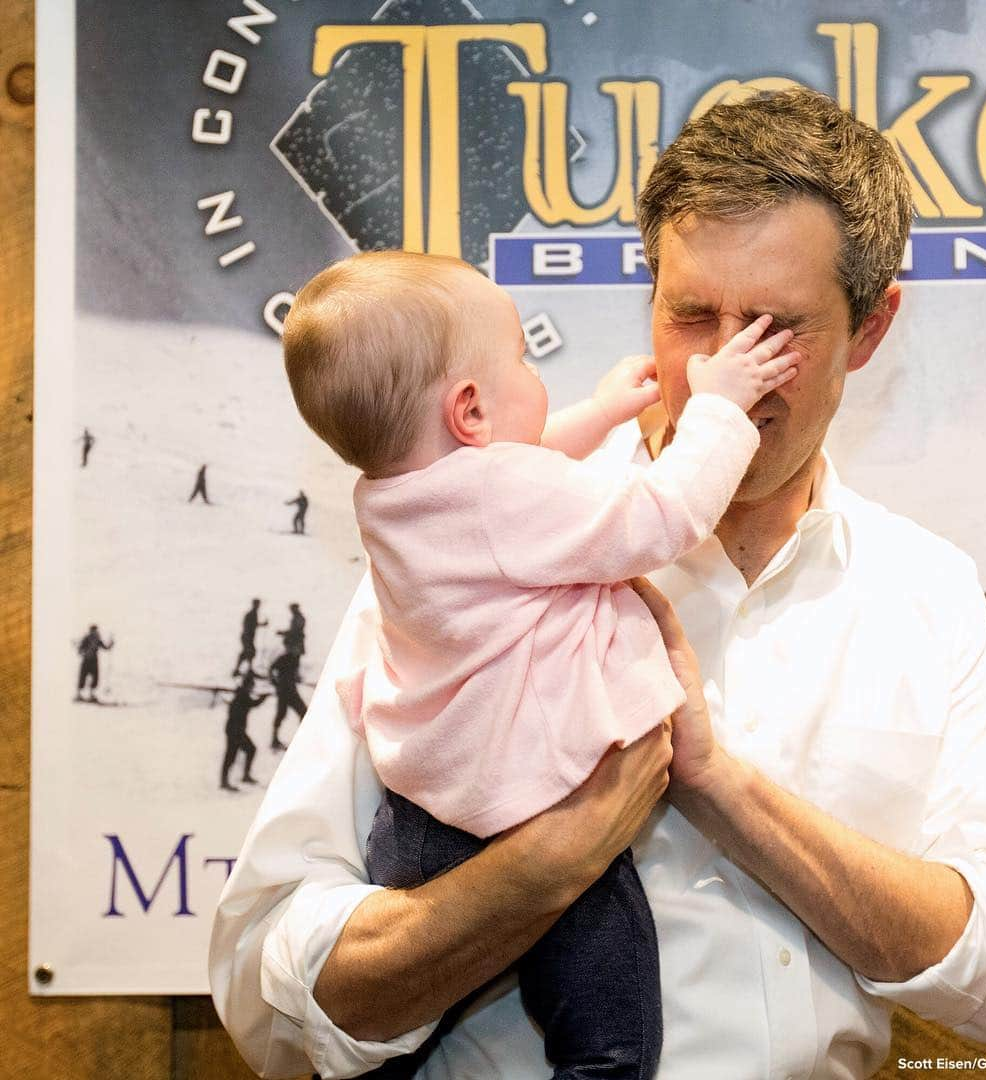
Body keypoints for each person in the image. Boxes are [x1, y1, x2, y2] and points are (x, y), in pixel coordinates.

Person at [210, 88, 986, 1079]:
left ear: (870, 329)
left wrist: (721, 789)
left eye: (773, 330)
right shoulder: (484, 538)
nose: (722, 366)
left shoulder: (924, 589)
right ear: (649, 297)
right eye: (692, 314)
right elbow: (266, 988)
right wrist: (540, 869)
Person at [275, 248, 797, 1077]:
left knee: (405, 1031)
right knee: (611, 1038)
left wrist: (596, 414)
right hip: (531, 811)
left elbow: (514, 470)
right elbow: (662, 514)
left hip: (418, 825)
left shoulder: (404, 495)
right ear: (471, 409)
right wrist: (720, 409)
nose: (532, 369)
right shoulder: (499, 499)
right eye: (522, 357)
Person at [220, 670, 269, 791]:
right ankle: (225, 781)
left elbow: (251, 702)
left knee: (248, 750)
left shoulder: (241, 694)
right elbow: (253, 703)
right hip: (235, 730)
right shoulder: (243, 696)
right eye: (251, 686)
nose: (252, 688)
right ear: (248, 686)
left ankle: (237, 777)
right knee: (233, 754)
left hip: (235, 729)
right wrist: (263, 697)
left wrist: (262, 697)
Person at [268, 644, 309, 751]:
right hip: (284, 691)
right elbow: (272, 669)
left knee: (303, 712)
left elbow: (293, 673)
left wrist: (297, 678)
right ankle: (275, 740)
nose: (298, 651)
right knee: (282, 714)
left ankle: (301, 739)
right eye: (297, 649)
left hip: (291, 691)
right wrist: (275, 683)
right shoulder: (284, 658)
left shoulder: (296, 659)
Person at [75, 623, 113, 702]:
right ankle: (79, 694)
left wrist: (111, 643)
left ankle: (91, 695)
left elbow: (105, 647)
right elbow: (80, 649)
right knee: (83, 676)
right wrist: (83, 652)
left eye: (95, 631)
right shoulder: (86, 638)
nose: (95, 632)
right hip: (86, 660)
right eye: (94, 630)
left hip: (94, 661)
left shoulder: (97, 639)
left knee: (94, 677)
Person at [233, 598, 267, 677]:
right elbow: (250, 625)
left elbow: (252, 624)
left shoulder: (253, 613)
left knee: (247, 653)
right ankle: (246, 670)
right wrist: (263, 624)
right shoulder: (251, 613)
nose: (258, 606)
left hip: (248, 636)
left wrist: (261, 624)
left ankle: (243, 670)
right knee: (249, 652)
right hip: (247, 636)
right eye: (257, 604)